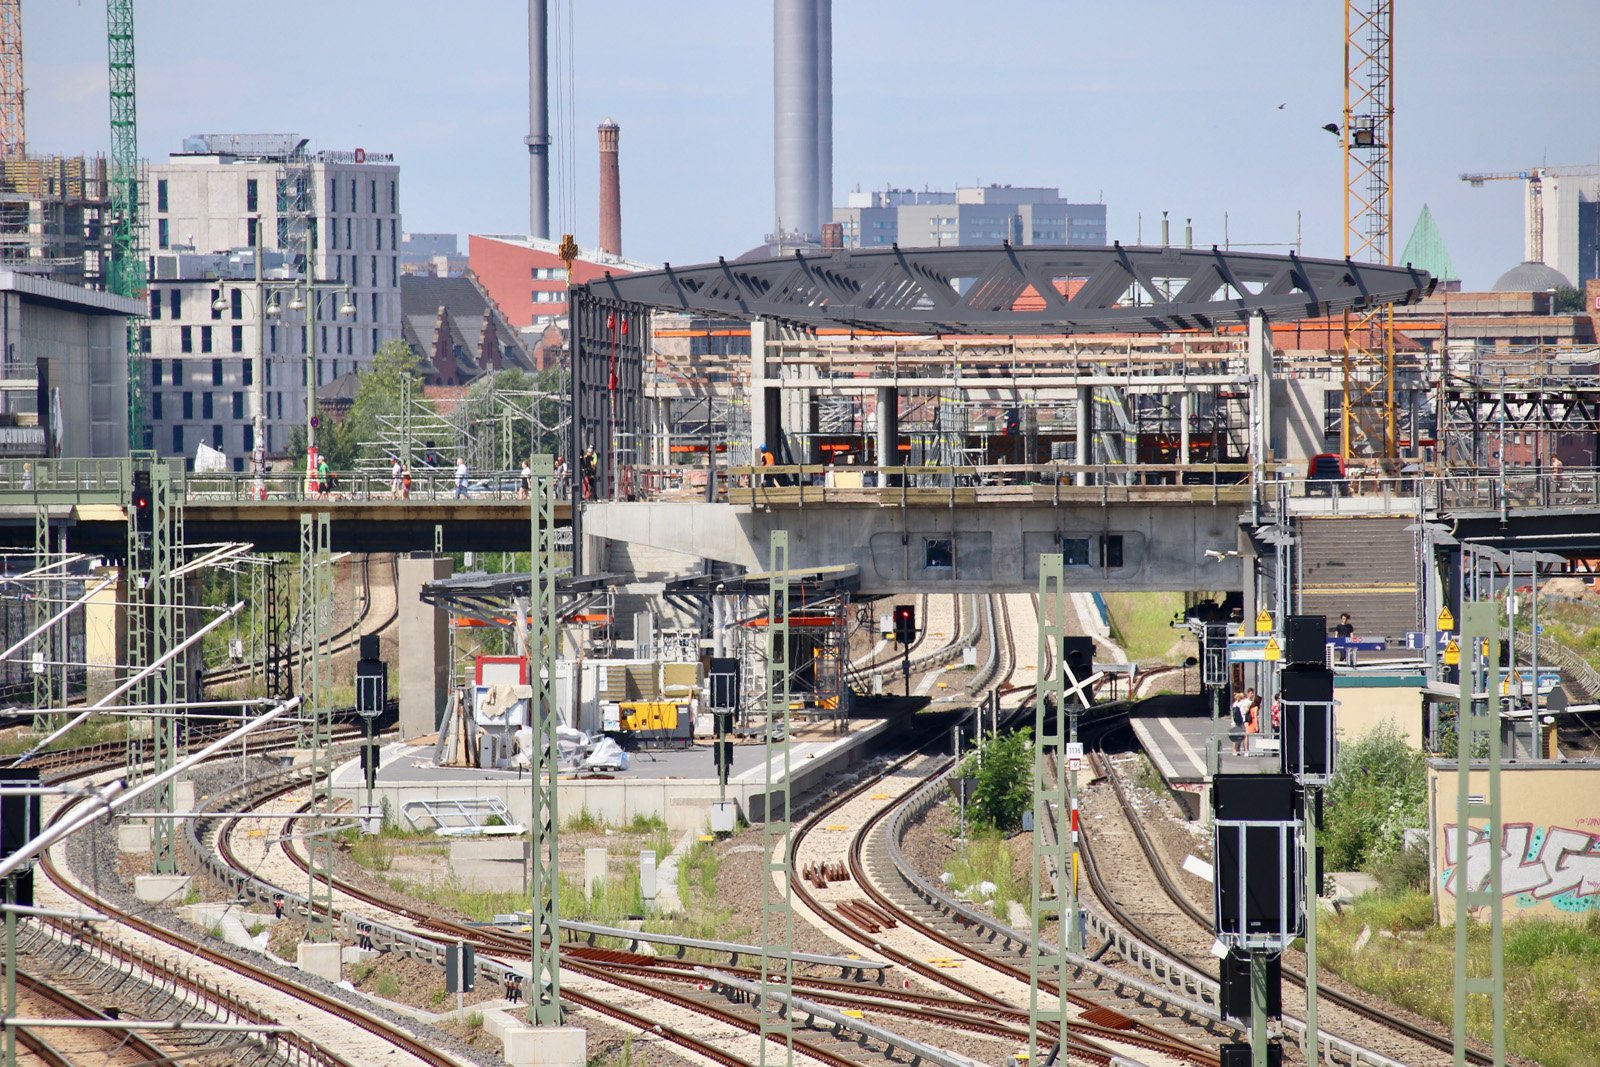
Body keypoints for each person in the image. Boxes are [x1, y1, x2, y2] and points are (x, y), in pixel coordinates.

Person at [1230, 689, 1250, 755]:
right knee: (1245, 736)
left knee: (1235, 736)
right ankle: (1246, 751)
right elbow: (1246, 710)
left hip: (1235, 721)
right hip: (1243, 721)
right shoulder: (1244, 702)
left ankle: (1235, 750)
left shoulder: (1235, 703)